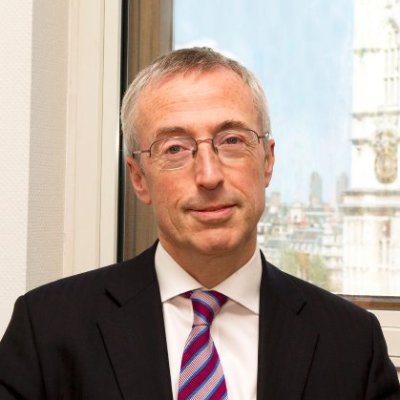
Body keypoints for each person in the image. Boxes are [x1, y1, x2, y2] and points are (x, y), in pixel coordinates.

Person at [0, 47, 399, 400]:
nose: (209, 176)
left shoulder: (352, 344)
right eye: (175, 148)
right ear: (139, 178)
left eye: (232, 141)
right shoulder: (47, 330)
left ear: (268, 161)